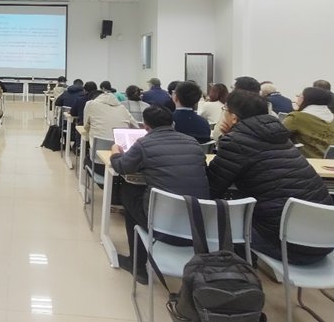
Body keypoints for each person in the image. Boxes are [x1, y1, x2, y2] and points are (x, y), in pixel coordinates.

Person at [208, 90, 333, 265]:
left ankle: (236, 273)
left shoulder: (236, 142)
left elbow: (211, 188)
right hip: (325, 240)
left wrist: (227, 138)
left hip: (290, 246)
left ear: (234, 118)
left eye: (225, 110)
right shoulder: (279, 137)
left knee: (219, 217)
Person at [111, 105, 209, 283]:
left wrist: (115, 153)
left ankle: (137, 264)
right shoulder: (193, 142)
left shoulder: (144, 144)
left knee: (129, 191)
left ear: (145, 126)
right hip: (196, 222)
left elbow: (122, 167)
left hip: (162, 224)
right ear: (172, 123)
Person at [283, 87, 334, 159]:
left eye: (299, 96)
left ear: (305, 99)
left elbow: (279, 136)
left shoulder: (296, 118)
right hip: (330, 162)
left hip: (307, 161)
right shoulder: (332, 117)